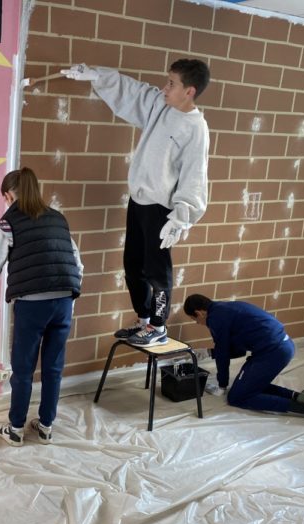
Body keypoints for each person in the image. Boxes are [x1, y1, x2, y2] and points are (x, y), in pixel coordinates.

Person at [61, 59, 211, 347]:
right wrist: (95, 74)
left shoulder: (196, 128)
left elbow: (195, 176)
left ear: (189, 91)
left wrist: (180, 218)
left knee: (157, 271)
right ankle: (144, 320)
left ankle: (158, 326)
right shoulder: (161, 106)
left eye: (172, 84)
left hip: (161, 209)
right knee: (132, 265)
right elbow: (133, 91)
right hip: (139, 201)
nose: (165, 88)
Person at [0, 167, 83, 446]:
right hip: (64, 302)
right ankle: (46, 427)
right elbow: (78, 264)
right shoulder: (58, 218)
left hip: (32, 305)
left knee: (23, 368)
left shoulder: (7, 223)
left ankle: (16, 429)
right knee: (53, 367)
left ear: (8, 195)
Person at [183, 294, 304, 422]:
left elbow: (223, 354)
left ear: (199, 313)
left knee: (237, 397)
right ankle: (303, 397)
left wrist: (222, 385)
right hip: (281, 346)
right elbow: (238, 350)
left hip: (273, 352)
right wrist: (210, 353)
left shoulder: (215, 318)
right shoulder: (225, 308)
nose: (198, 323)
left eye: (195, 320)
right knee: (249, 386)